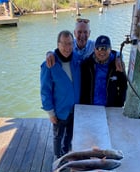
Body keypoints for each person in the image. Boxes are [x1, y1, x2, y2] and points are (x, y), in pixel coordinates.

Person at [40, 30, 81, 159]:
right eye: (63, 44)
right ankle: (58, 158)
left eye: (70, 44)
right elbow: (45, 91)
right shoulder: (49, 64)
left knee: (70, 134)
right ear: (58, 44)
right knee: (58, 136)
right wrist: (50, 113)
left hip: (75, 109)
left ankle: (66, 152)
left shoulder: (77, 59)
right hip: (59, 111)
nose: (67, 48)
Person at [46, 18, 124, 71]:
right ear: (74, 33)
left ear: (89, 33)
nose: (82, 36)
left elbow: (113, 53)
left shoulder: (95, 46)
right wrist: (49, 54)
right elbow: (58, 52)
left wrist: (118, 58)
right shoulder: (69, 46)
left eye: (85, 32)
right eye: (79, 32)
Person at [80, 35, 127, 107]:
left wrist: (119, 104)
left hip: (110, 108)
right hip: (90, 108)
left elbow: (123, 86)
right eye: (98, 48)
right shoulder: (86, 65)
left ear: (110, 49)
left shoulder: (117, 65)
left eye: (105, 48)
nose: (101, 51)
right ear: (94, 49)